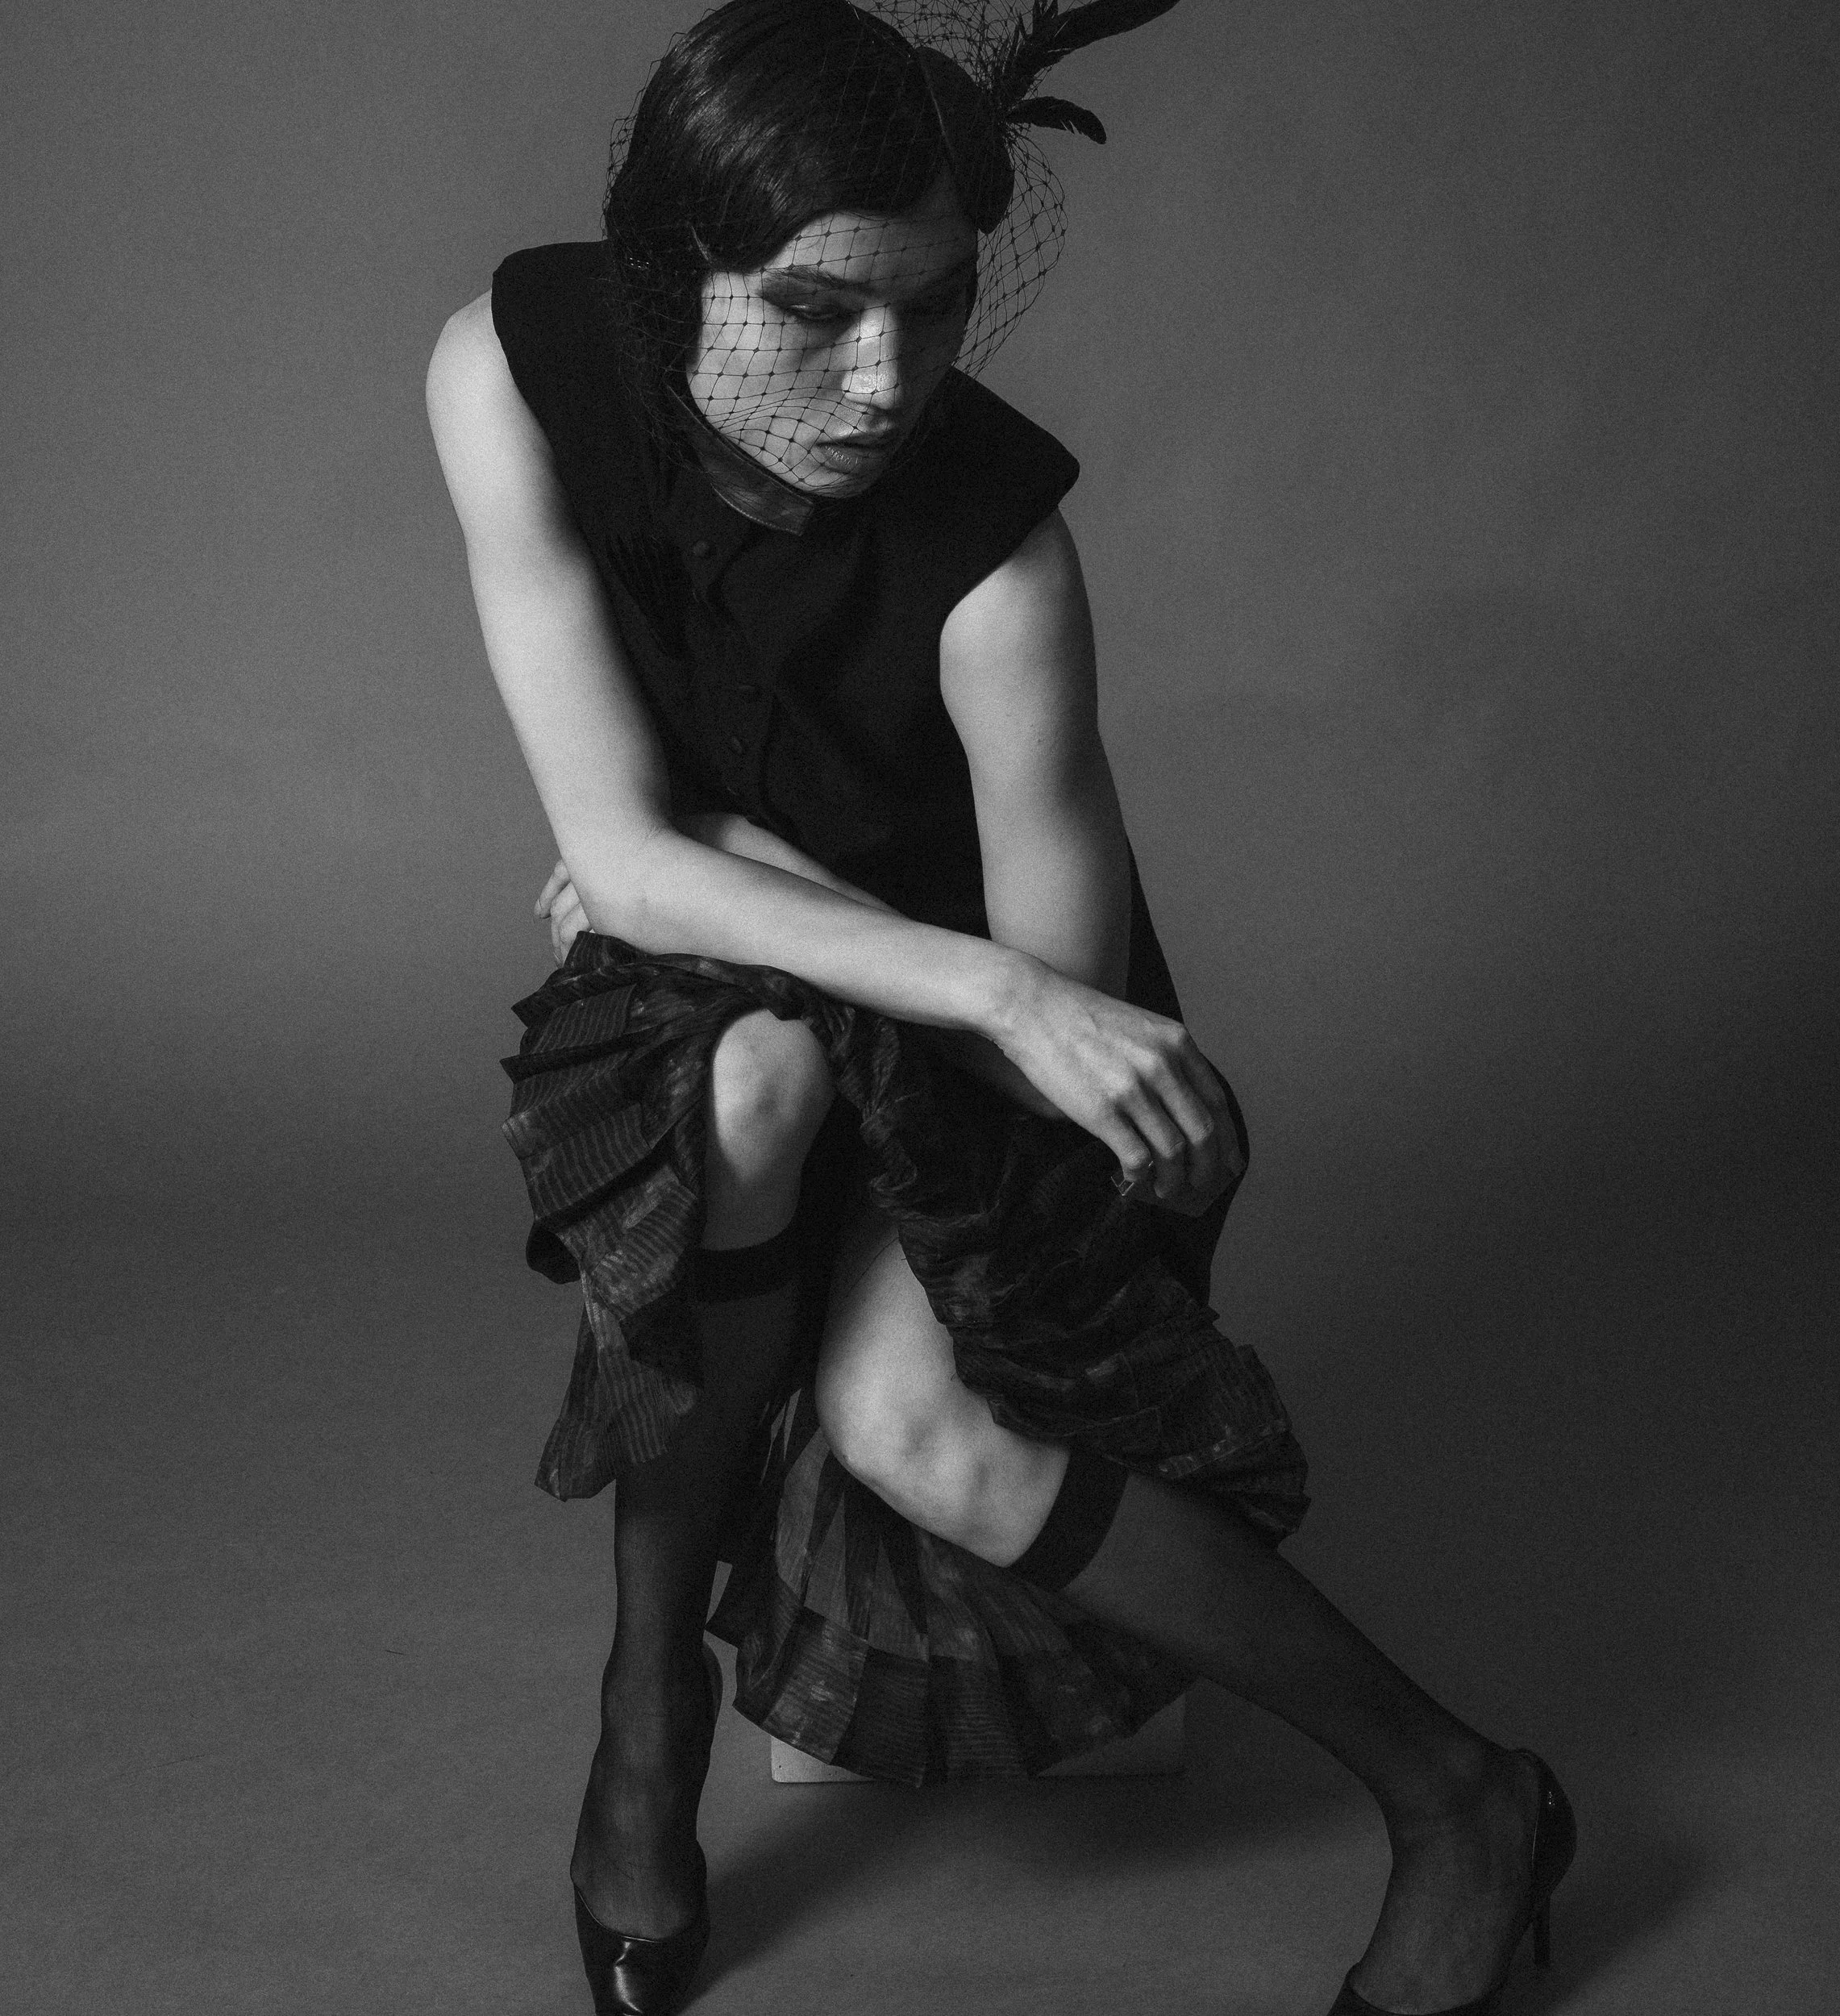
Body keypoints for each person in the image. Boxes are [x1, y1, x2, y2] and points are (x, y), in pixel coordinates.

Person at [427, 3, 1574, 2011]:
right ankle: (645, 1725)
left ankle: (1463, 1789)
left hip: (1007, 1078)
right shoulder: (509, 371)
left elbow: (1044, 1023)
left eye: (936, 309)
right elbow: (626, 867)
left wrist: (724, 861)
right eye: (809, 309)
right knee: (752, 1089)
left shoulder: (1000, 566)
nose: (881, 382)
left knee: (911, 1428)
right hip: (855, 978)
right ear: (664, 273)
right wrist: (701, 870)